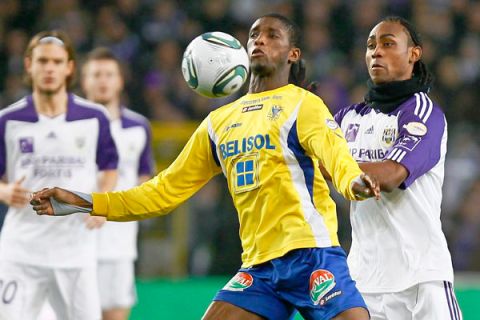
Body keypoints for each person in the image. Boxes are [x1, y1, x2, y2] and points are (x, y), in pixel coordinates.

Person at [31, 14, 380, 320]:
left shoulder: (303, 104)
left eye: (272, 35)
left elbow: (335, 154)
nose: (259, 40)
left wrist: (354, 183)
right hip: (259, 269)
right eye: (254, 35)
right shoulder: (218, 122)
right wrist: (83, 201)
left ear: (293, 54)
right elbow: (162, 192)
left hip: (311, 255)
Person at [331, 16, 462, 319]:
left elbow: (390, 175)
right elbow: (313, 163)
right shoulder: (348, 118)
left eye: (388, 44)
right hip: (363, 279)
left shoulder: (424, 113)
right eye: (371, 46)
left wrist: (334, 166)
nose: (376, 52)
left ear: (414, 54)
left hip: (420, 278)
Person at [0, 30, 118, 320]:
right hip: (21, 251)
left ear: (69, 67)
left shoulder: (94, 117)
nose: (49, 68)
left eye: (56, 62)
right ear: (29, 65)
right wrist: (2, 191)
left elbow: (110, 167)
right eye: (42, 61)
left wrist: (102, 205)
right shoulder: (8, 120)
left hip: (75, 251)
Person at [81, 47, 154, 320]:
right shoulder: (72, 124)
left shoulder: (138, 126)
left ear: (120, 80)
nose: (103, 80)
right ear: (84, 80)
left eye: (109, 74)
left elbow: (144, 178)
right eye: (96, 74)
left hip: (119, 244)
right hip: (76, 241)